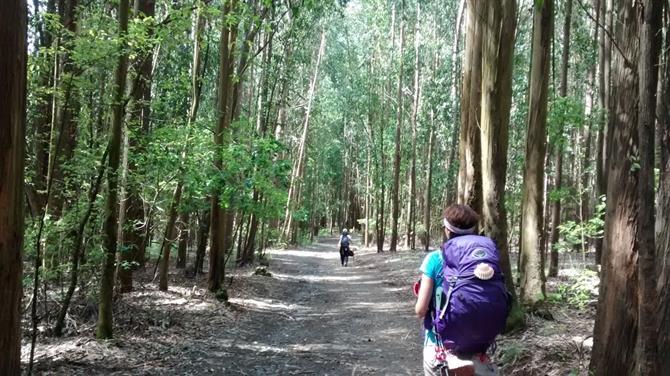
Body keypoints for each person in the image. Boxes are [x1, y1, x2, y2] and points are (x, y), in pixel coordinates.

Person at [415, 204, 506, 376]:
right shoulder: (486, 259)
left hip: (439, 347)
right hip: (479, 349)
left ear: (447, 230)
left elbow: (421, 310)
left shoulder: (434, 259)